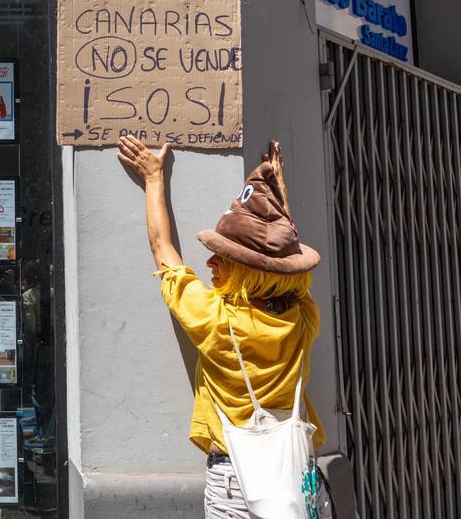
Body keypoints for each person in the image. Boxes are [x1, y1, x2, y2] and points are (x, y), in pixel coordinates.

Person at [117, 136, 324, 518]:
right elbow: (283, 264)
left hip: (234, 480)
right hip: (294, 475)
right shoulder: (302, 319)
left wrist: (153, 178)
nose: (211, 263)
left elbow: (164, 253)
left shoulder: (215, 319)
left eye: (225, 259)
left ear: (248, 273)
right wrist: (278, 193)